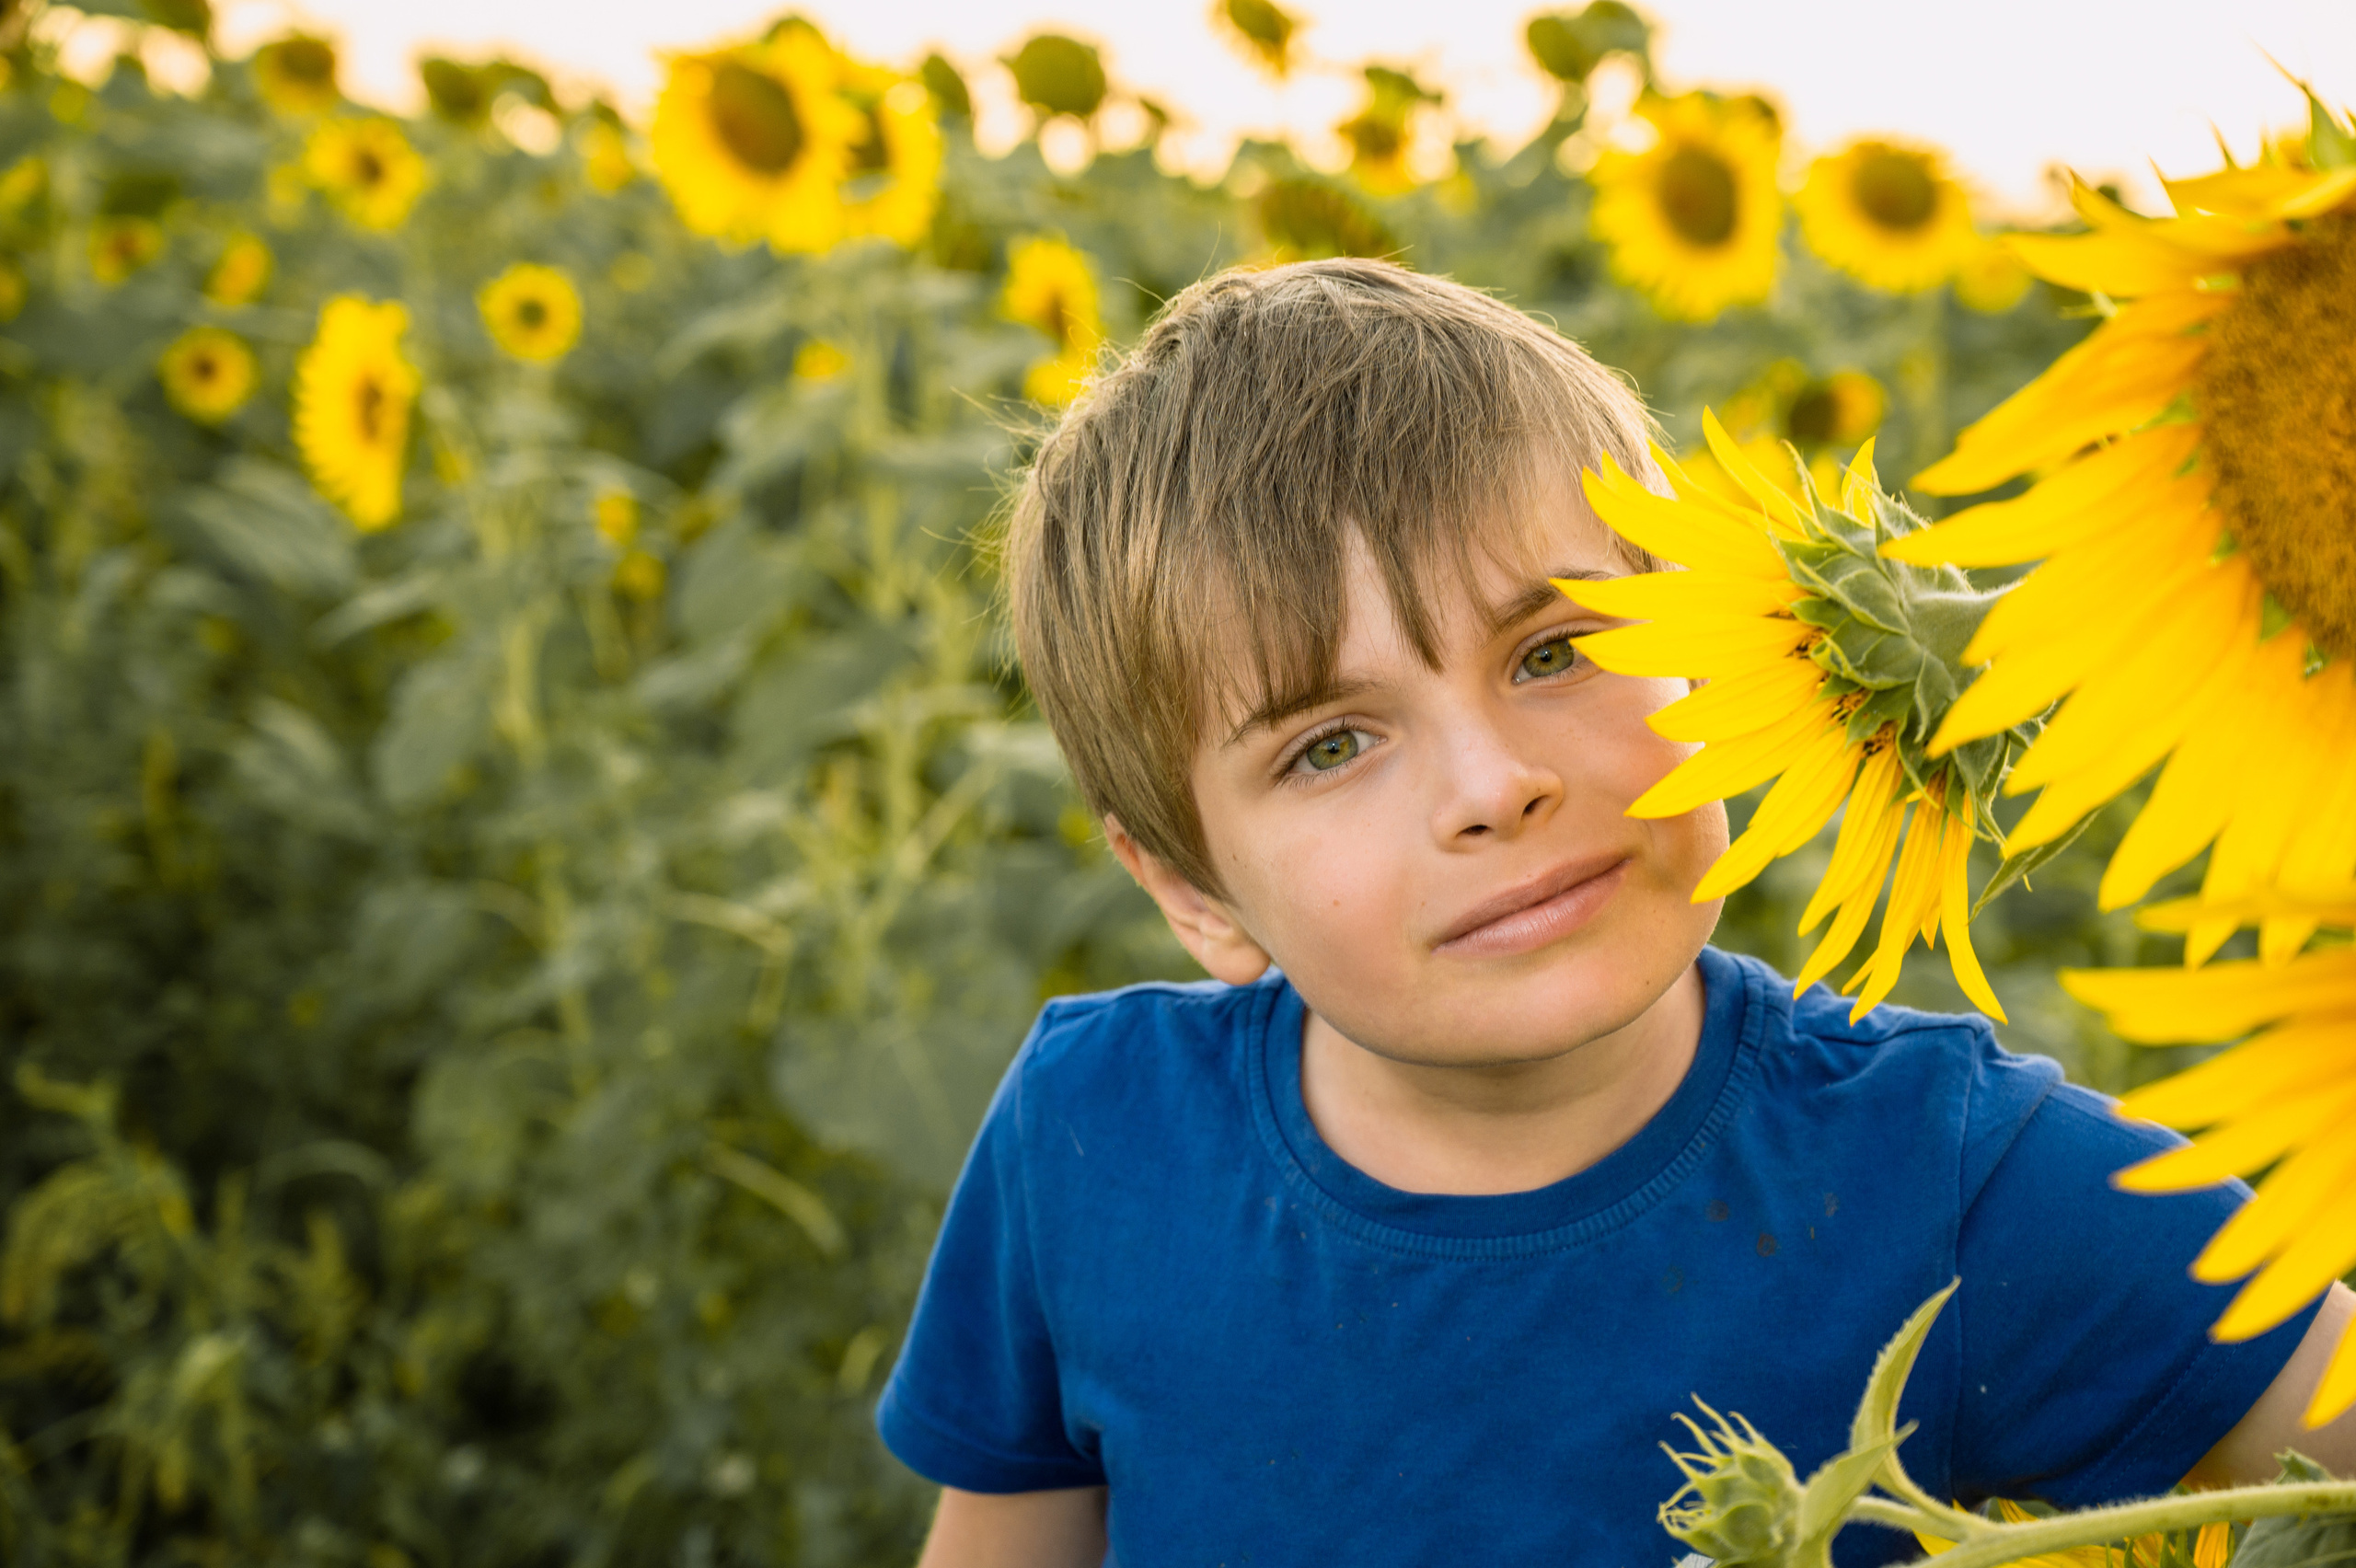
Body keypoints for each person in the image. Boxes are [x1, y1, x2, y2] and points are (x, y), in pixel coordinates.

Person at [873, 258, 2356, 1567]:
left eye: (1558, 649)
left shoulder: (1956, 1176)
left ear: (1705, 648)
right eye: (1331, 743)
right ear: (1195, 892)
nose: (1494, 784)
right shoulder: (1094, 1137)